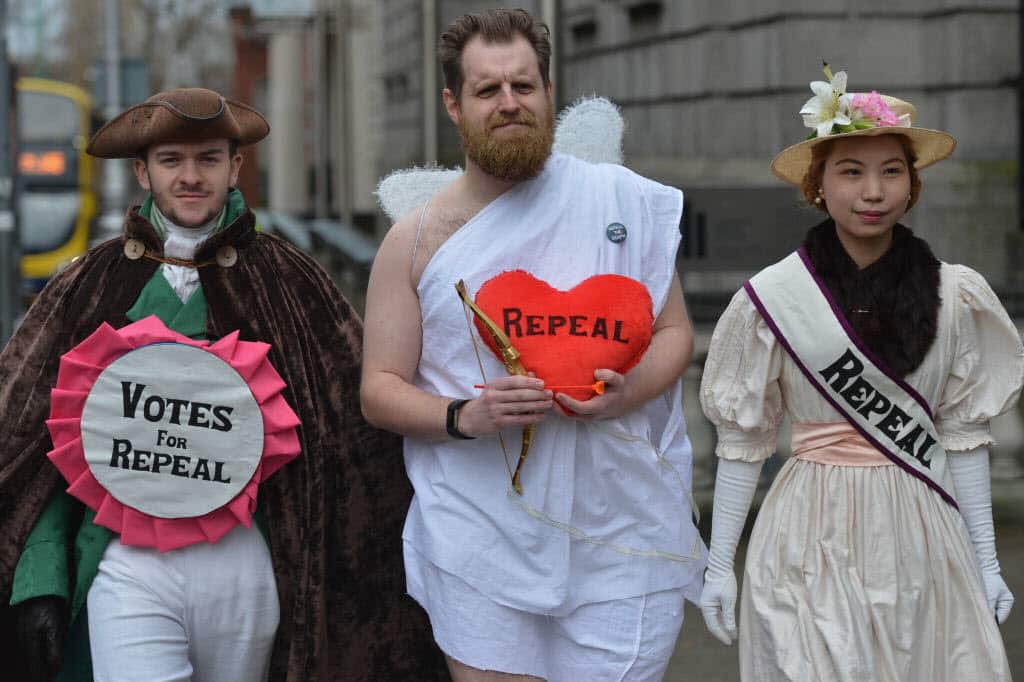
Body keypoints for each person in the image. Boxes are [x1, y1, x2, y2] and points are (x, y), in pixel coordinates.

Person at [0, 87, 445, 681]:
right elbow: (34, 444)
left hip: (253, 564)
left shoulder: (289, 280)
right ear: (142, 171)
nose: (190, 176)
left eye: (208, 158)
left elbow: (356, 449)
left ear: (235, 166)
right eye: (171, 161)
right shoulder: (88, 283)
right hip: (125, 564)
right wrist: (41, 575)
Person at [361, 8, 705, 681]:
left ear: (550, 92)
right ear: (454, 107)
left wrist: (627, 392)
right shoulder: (416, 239)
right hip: (477, 535)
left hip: (622, 529)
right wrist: (465, 417)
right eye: (488, 91)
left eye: (524, 85)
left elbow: (675, 332)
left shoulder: (618, 202)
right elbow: (379, 388)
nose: (509, 103)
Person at [698, 65, 1021, 680]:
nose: (873, 191)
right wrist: (719, 566)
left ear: (912, 187)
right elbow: (742, 440)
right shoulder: (773, 298)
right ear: (819, 186)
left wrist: (987, 559)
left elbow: (964, 433)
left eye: (891, 171)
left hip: (920, 525)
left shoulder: (957, 295)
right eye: (851, 171)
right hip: (806, 531)